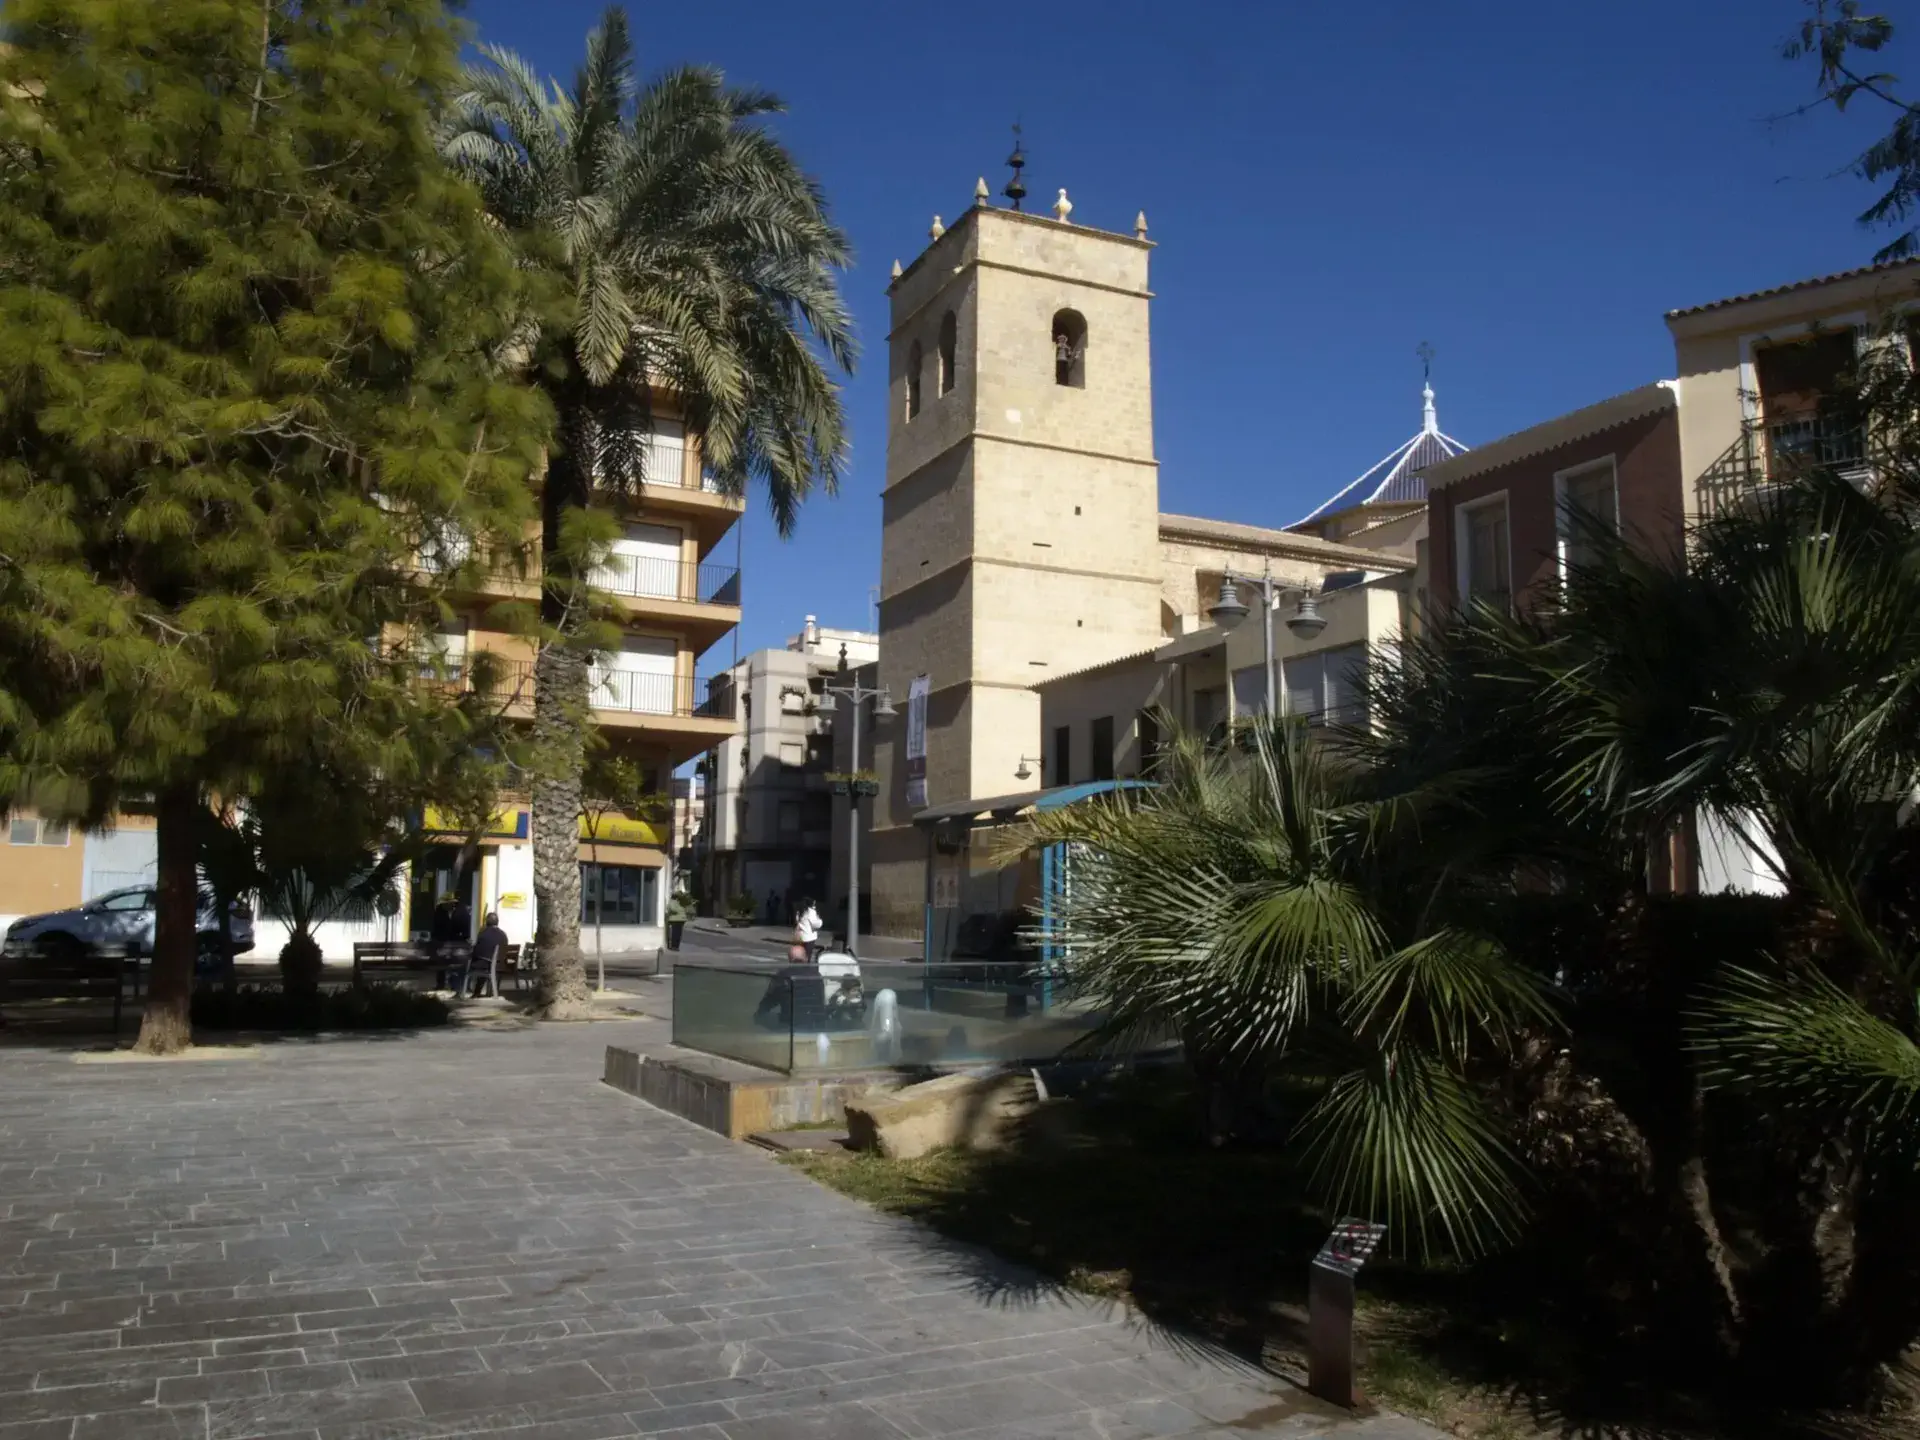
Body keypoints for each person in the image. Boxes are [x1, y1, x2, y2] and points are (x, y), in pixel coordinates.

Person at [466, 911, 508, 998]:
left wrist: (470, 955)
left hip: (487, 964)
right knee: (485, 961)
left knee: (470, 962)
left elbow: (477, 951)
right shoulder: (503, 934)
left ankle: (465, 990)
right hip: (500, 964)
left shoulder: (484, 933)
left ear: (486, 922)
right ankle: (482, 992)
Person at [793, 896, 823, 962]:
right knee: (807, 956)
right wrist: (819, 920)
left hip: (801, 937)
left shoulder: (800, 911)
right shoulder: (811, 912)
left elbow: (797, 921)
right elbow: (816, 924)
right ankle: (805, 970)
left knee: (800, 956)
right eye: (814, 903)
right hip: (809, 938)